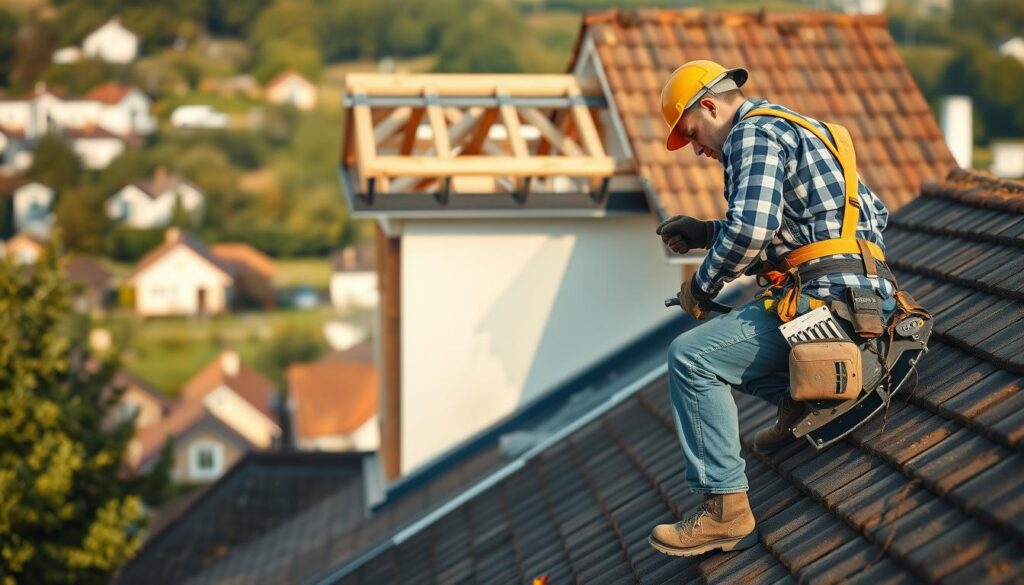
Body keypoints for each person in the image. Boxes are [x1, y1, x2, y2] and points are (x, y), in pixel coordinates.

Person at [647, 60, 900, 557]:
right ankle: (805, 396)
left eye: (694, 134)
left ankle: (725, 511)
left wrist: (699, 287)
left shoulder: (750, 136)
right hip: (866, 299)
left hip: (826, 304)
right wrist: (704, 232)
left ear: (710, 105)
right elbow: (831, 226)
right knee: (728, 344)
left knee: (691, 358)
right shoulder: (800, 128)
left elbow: (751, 231)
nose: (698, 150)